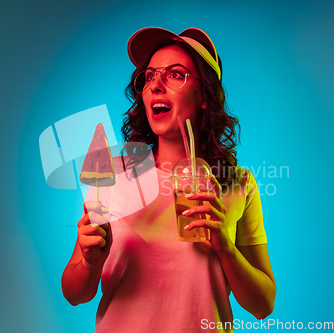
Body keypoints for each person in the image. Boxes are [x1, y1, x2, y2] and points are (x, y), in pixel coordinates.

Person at [62, 27, 276, 333]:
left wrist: (224, 247)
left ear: (205, 95)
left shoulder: (238, 183)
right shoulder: (114, 173)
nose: (155, 84)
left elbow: (263, 305)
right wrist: (90, 262)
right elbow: (75, 294)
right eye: (149, 76)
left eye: (175, 74)